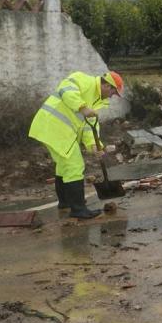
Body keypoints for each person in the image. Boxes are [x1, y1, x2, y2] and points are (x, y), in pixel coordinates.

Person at [29, 71, 124, 219]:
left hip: (56, 130)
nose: (112, 96)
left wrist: (94, 144)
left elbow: (89, 126)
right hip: (54, 128)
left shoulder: (97, 101)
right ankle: (78, 209)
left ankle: (65, 202)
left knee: (63, 167)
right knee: (74, 166)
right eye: (113, 92)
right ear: (106, 85)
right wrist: (82, 107)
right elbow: (65, 90)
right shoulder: (83, 80)